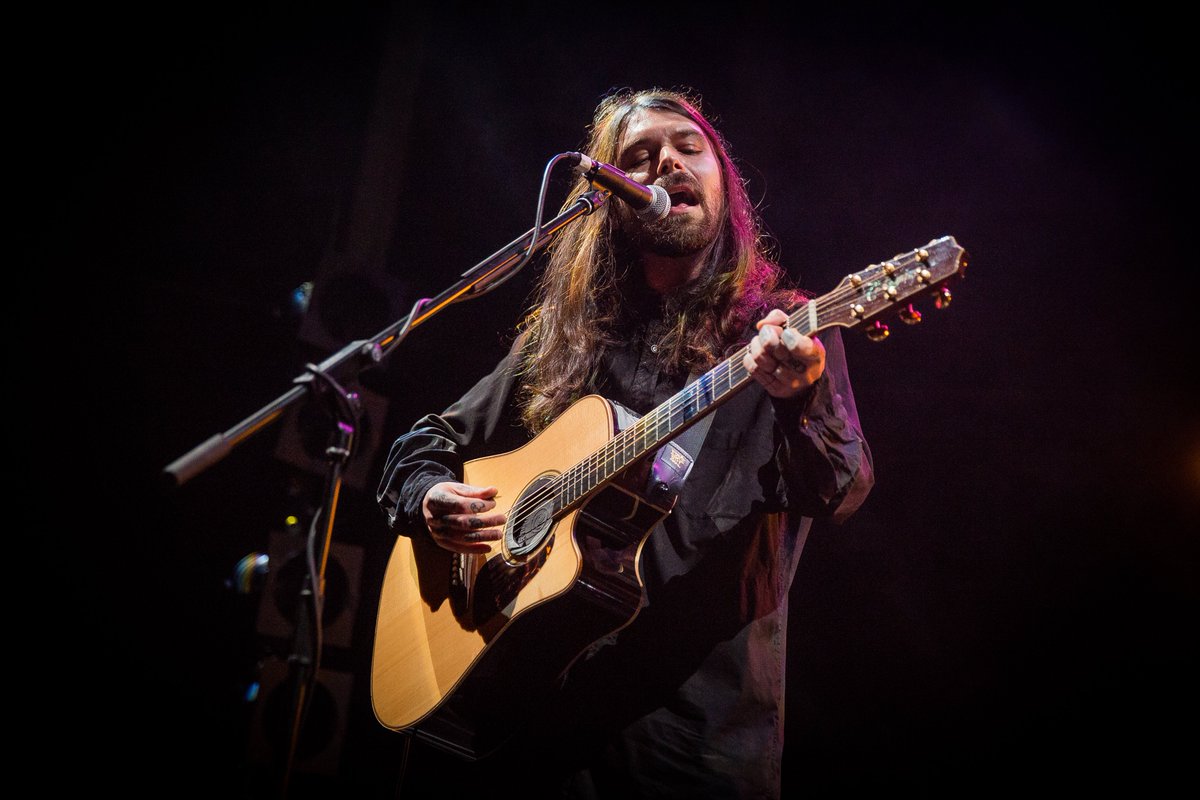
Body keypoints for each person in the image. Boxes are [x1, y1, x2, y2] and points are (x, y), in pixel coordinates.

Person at [376, 87, 874, 798]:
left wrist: (801, 395)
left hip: (684, 744)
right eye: (637, 159)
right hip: (518, 728)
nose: (664, 164)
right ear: (609, 195)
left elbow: (840, 486)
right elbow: (427, 441)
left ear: (722, 180)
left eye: (686, 148)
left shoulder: (781, 333)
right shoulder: (568, 341)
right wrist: (428, 498)